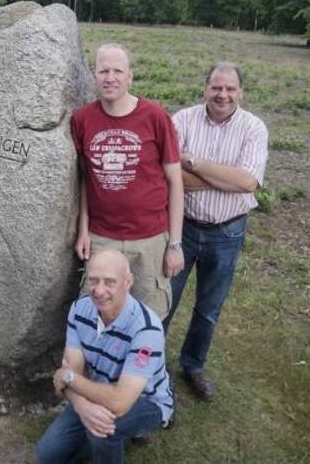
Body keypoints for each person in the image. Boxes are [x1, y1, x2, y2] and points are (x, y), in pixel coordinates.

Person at [165, 61, 268, 402]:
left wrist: (193, 162)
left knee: (208, 308)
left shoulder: (254, 128)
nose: (222, 94)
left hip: (227, 234)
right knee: (164, 301)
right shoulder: (182, 120)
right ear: (205, 88)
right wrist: (226, 178)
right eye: (216, 87)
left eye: (230, 89)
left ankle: (192, 365)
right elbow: (169, 176)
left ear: (241, 92)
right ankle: (150, 365)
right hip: (183, 228)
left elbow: (248, 182)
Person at [72, 43, 184, 319]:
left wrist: (175, 244)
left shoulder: (155, 117)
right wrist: (84, 230)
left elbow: (175, 182)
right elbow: (85, 179)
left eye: (117, 71)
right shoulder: (82, 120)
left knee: (148, 316)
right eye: (103, 71)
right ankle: (98, 361)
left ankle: (142, 363)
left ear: (130, 76)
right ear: (94, 76)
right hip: (102, 237)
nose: (110, 78)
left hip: (150, 238)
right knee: (97, 311)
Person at [35, 249, 173, 464]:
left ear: (128, 282)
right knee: (48, 454)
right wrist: (83, 407)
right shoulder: (79, 309)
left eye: (110, 282)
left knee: (105, 429)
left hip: (145, 399)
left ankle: (119, 435)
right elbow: (73, 368)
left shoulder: (147, 330)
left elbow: (119, 401)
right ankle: (115, 436)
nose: (99, 291)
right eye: (93, 280)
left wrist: (68, 378)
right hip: (97, 392)